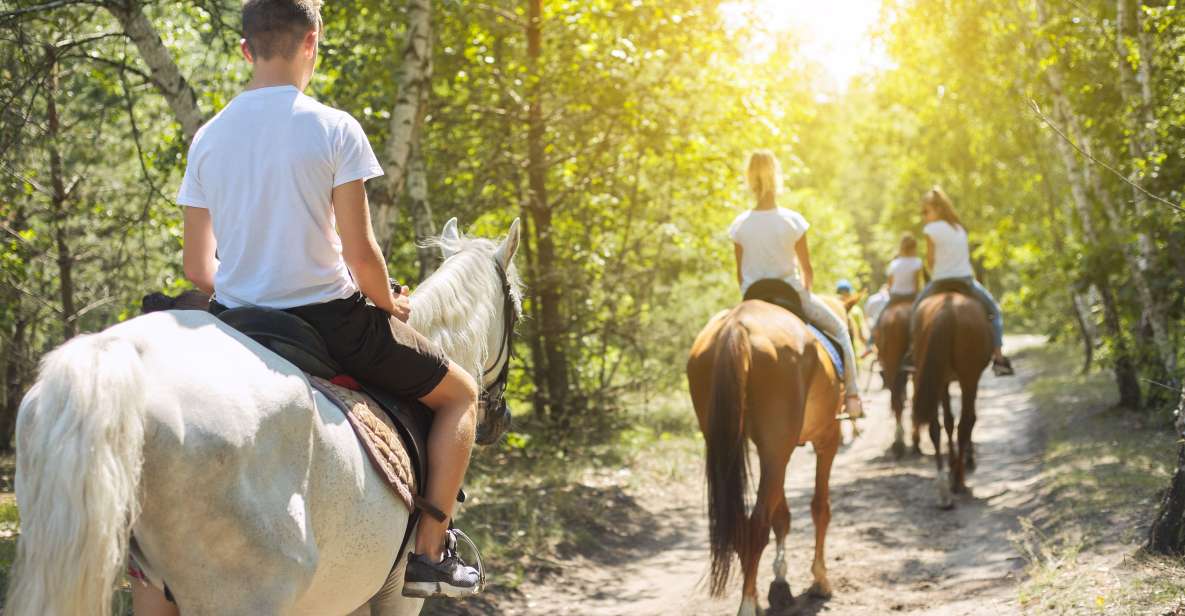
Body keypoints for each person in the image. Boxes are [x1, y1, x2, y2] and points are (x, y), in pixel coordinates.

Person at [136, 2, 483, 612]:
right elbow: (363, 252)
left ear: (246, 49)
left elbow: (197, 268)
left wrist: (249, 286)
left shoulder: (209, 136)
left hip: (238, 325)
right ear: (312, 44)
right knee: (460, 396)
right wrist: (389, 306)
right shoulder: (333, 127)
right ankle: (430, 551)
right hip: (332, 320)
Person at [729, 150, 863, 418]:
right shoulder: (793, 221)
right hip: (791, 295)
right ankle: (851, 396)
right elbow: (807, 271)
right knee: (840, 331)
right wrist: (805, 291)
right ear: (777, 177)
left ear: (749, 179)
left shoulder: (740, 225)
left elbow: (740, 276)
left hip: (752, 299)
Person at [913, 187, 1014, 376]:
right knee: (994, 311)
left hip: (939, 282)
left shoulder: (930, 230)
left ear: (937, 209)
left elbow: (931, 261)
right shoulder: (959, 228)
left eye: (926, 211)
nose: (924, 216)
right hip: (965, 281)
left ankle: (912, 353)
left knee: (915, 312)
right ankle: (999, 358)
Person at [863, 283, 890, 357]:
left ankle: (868, 346)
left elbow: (866, 315)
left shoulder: (872, 298)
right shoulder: (890, 298)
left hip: (873, 324)